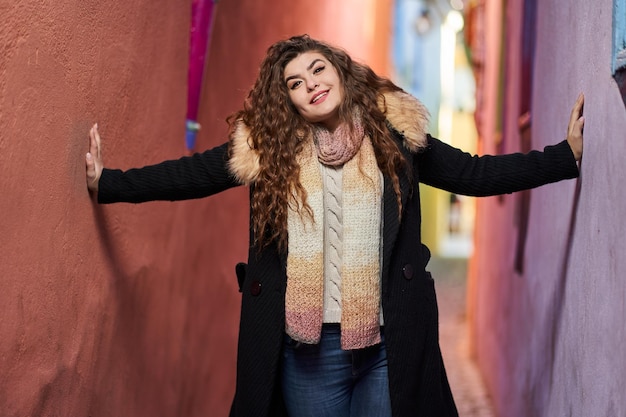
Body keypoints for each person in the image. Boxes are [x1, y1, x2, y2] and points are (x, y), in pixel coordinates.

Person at [85, 34, 584, 417]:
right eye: (295, 85)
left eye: (317, 70)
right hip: (309, 353)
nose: (311, 85)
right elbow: (187, 176)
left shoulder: (396, 138)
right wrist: (108, 182)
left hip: (387, 347)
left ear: (341, 71)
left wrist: (564, 157)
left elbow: (476, 173)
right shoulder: (266, 151)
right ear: (289, 102)